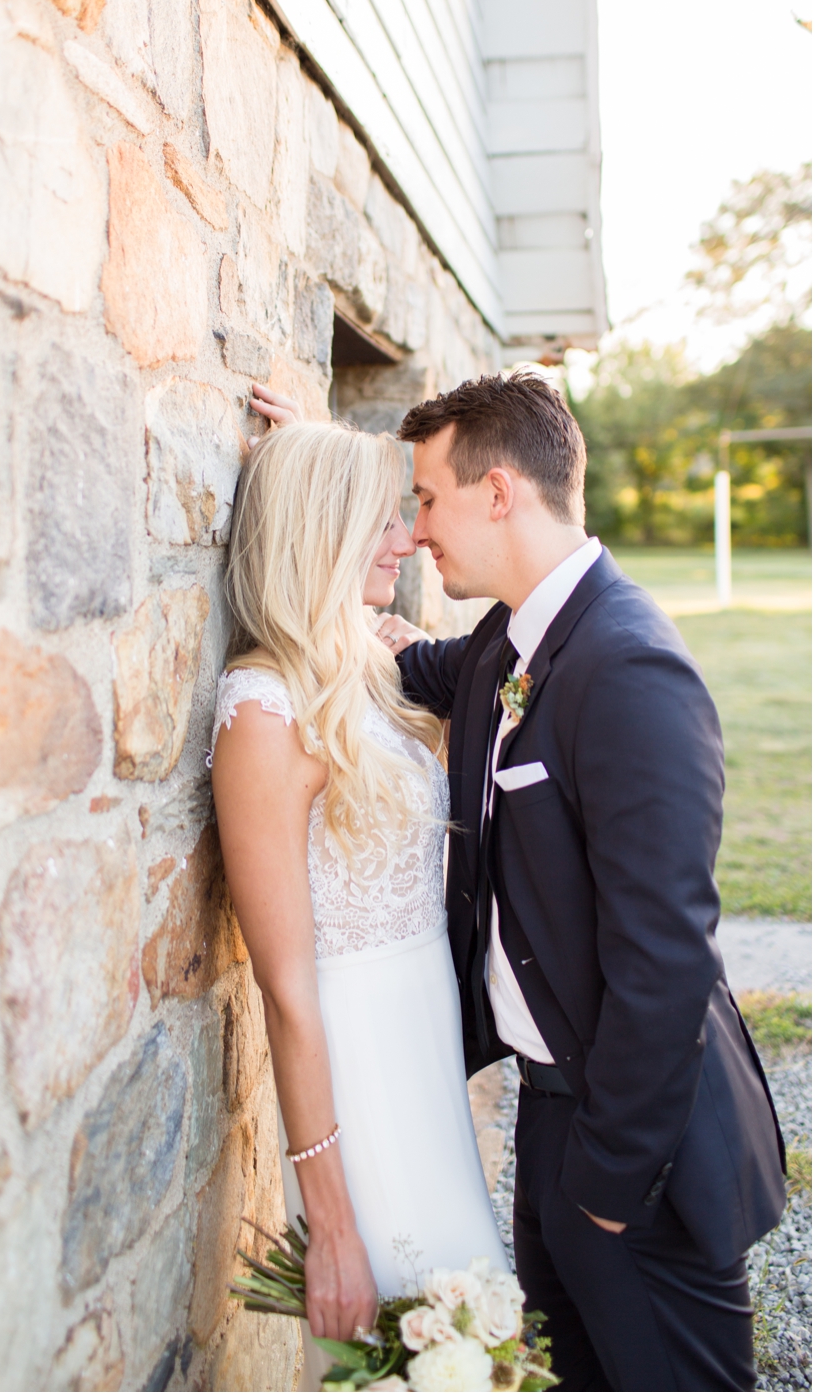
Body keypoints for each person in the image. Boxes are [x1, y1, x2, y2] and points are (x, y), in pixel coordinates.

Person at [368, 370, 786, 1391]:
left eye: (426, 499)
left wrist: (602, 1182)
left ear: (497, 491)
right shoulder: (505, 641)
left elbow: (664, 962)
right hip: (547, 1112)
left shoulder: (628, 663)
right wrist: (319, 505)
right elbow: (408, 666)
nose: (417, 530)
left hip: (635, 1145)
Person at [212, 419, 508, 1352]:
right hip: (360, 1079)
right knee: (411, 1342)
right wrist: (330, 1220)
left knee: (476, 1327)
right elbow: (289, 994)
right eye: (380, 518)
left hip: (427, 1053)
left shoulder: (372, 670)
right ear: (321, 533)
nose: (408, 537)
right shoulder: (263, 711)